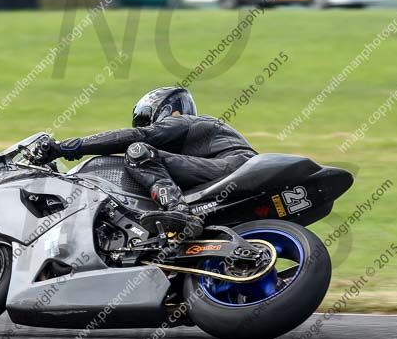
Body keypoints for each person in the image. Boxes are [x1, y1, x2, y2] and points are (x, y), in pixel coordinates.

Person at [35, 87, 257, 237]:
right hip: (229, 175)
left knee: (138, 151)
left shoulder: (184, 122)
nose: (141, 125)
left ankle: (179, 211)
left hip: (237, 166)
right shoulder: (189, 150)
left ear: (171, 110)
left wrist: (69, 146)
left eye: (144, 118)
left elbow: (138, 137)